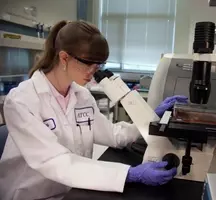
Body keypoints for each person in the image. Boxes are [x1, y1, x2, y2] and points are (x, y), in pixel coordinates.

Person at [0, 20, 188, 200]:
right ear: (64, 57)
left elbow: (114, 135)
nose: (93, 71)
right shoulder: (22, 101)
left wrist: (152, 117)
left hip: (74, 191)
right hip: (32, 195)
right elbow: (57, 162)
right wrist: (128, 174)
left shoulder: (82, 96)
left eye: (98, 65)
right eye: (88, 63)